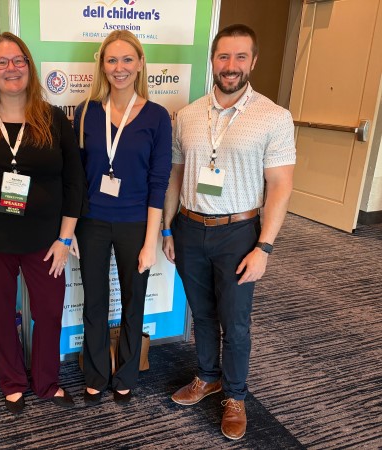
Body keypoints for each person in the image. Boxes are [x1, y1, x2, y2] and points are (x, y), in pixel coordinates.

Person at [162, 24, 296, 440]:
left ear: (253, 62)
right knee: (200, 313)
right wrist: (169, 229)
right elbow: (175, 176)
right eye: (224, 57)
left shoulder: (274, 117)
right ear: (213, 60)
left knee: (235, 322)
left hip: (239, 233)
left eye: (241, 57)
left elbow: (281, 186)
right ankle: (207, 377)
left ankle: (235, 395)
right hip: (189, 227)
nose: (231, 66)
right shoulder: (187, 115)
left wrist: (265, 247)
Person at [0, 32, 87, 414]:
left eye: (19, 61)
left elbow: (74, 180)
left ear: (29, 66)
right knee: (0, 309)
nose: (11, 69)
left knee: (47, 311)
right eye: (2, 62)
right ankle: (12, 381)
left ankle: (46, 381)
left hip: (46, 239)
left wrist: (65, 238)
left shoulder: (52, 119)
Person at [74, 30, 172, 405]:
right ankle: (96, 373)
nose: (119, 68)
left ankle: (127, 372)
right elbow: (78, 177)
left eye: (127, 59)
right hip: (93, 222)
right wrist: (74, 231)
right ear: (102, 65)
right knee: (95, 301)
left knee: (134, 300)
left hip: (136, 224)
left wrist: (151, 241)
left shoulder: (158, 117)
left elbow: (158, 183)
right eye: (112, 60)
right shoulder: (85, 112)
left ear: (140, 63)